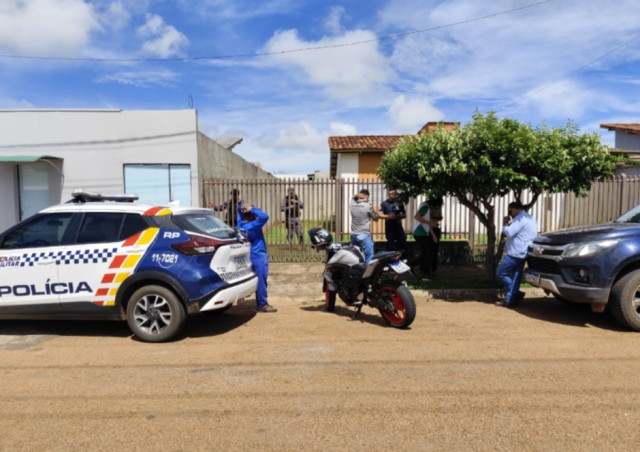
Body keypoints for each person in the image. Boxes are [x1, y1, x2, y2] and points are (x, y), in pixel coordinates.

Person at [496, 201, 538, 308]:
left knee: (501, 272)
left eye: (510, 211)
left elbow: (509, 232)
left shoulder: (520, 219)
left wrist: (504, 224)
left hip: (515, 252)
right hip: (523, 251)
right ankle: (510, 300)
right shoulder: (530, 218)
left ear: (515, 209)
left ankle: (515, 293)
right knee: (516, 277)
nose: (509, 214)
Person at [237, 202, 277, 313]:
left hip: (250, 255)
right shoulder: (253, 225)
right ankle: (262, 305)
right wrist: (252, 209)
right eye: (254, 213)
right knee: (261, 281)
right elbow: (265, 217)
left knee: (257, 280)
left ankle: (261, 303)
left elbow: (239, 212)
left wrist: (241, 207)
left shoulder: (240, 224)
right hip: (259, 256)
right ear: (252, 214)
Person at [413, 198, 443, 280]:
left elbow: (426, 223)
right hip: (420, 232)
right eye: (437, 206)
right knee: (427, 254)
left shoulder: (426, 206)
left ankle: (423, 271)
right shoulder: (425, 207)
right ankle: (425, 274)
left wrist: (433, 235)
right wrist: (429, 222)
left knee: (426, 253)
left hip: (424, 232)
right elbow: (417, 217)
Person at [350, 188, 378, 263]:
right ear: (367, 196)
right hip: (364, 235)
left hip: (354, 235)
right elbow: (375, 218)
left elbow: (353, 197)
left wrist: (357, 195)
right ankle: (367, 271)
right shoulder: (368, 205)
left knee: (356, 257)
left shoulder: (352, 203)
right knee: (369, 257)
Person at [378, 188, 407, 253]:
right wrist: (389, 216)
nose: (392, 195)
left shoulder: (399, 203)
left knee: (402, 243)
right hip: (389, 227)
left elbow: (404, 215)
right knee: (390, 244)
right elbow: (379, 214)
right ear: (388, 194)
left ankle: (402, 257)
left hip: (398, 227)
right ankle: (389, 258)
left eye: (393, 194)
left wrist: (397, 216)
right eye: (390, 194)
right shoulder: (384, 203)